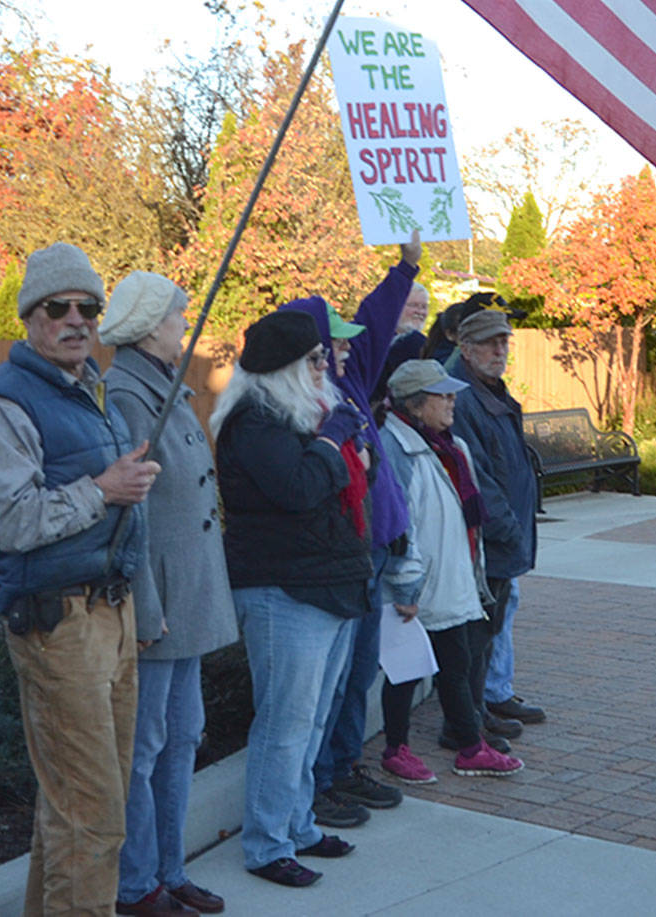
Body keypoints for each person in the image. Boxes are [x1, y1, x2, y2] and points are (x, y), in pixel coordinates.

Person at [0, 242, 159, 917]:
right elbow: (6, 521)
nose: (77, 319)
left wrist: (121, 488)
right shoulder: (3, 403)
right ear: (30, 317)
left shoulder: (89, 389)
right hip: (58, 624)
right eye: (58, 308)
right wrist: (103, 489)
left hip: (112, 613)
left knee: (76, 807)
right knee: (93, 817)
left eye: (88, 307)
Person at [215, 309, 372, 889]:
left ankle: (297, 824)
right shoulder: (255, 421)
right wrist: (333, 445)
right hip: (284, 588)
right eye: (313, 359)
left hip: (324, 583)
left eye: (323, 357)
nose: (324, 366)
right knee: (285, 723)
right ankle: (266, 843)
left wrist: (338, 445)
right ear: (282, 367)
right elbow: (299, 488)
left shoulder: (300, 417)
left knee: (312, 720)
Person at [100, 273, 237, 917]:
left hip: (189, 600)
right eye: (178, 315)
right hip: (160, 607)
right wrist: (146, 609)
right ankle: (137, 886)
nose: (185, 323)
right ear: (152, 323)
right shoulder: (130, 396)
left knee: (183, 737)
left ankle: (170, 870)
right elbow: (133, 515)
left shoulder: (167, 388)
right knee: (145, 746)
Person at [292, 234, 419, 828]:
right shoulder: (305, 404)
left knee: (360, 672)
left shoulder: (348, 384)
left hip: (374, 552)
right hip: (343, 559)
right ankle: (320, 780)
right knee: (336, 679)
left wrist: (406, 267)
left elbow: (374, 323)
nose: (346, 350)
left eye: (343, 344)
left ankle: (343, 766)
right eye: (333, 343)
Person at [376, 359, 524, 781]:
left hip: (451, 580)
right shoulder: (395, 448)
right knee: (406, 672)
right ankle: (397, 750)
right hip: (415, 588)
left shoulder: (451, 446)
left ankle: (469, 747)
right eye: (441, 395)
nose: (451, 401)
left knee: (456, 666)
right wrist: (406, 588)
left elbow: (464, 520)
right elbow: (398, 525)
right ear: (415, 403)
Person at [445, 310, 545, 741]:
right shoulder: (464, 399)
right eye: (489, 343)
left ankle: (484, 706)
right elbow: (477, 478)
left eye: (503, 342)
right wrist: (507, 529)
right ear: (466, 349)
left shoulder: (491, 393)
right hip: (487, 541)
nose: (499, 350)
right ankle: (466, 722)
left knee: (489, 631)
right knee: (476, 636)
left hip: (503, 538)